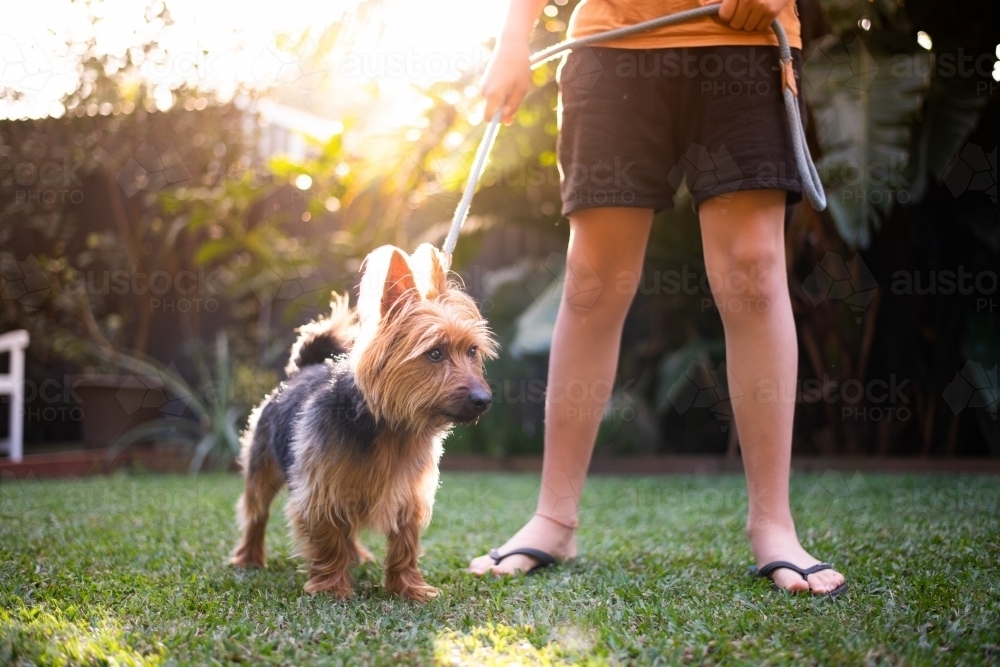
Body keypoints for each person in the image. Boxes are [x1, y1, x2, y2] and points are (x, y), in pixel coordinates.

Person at [467, 0, 847, 595]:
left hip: (743, 40)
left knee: (753, 270)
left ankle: (774, 524)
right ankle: (554, 517)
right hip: (612, 44)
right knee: (592, 281)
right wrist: (513, 37)